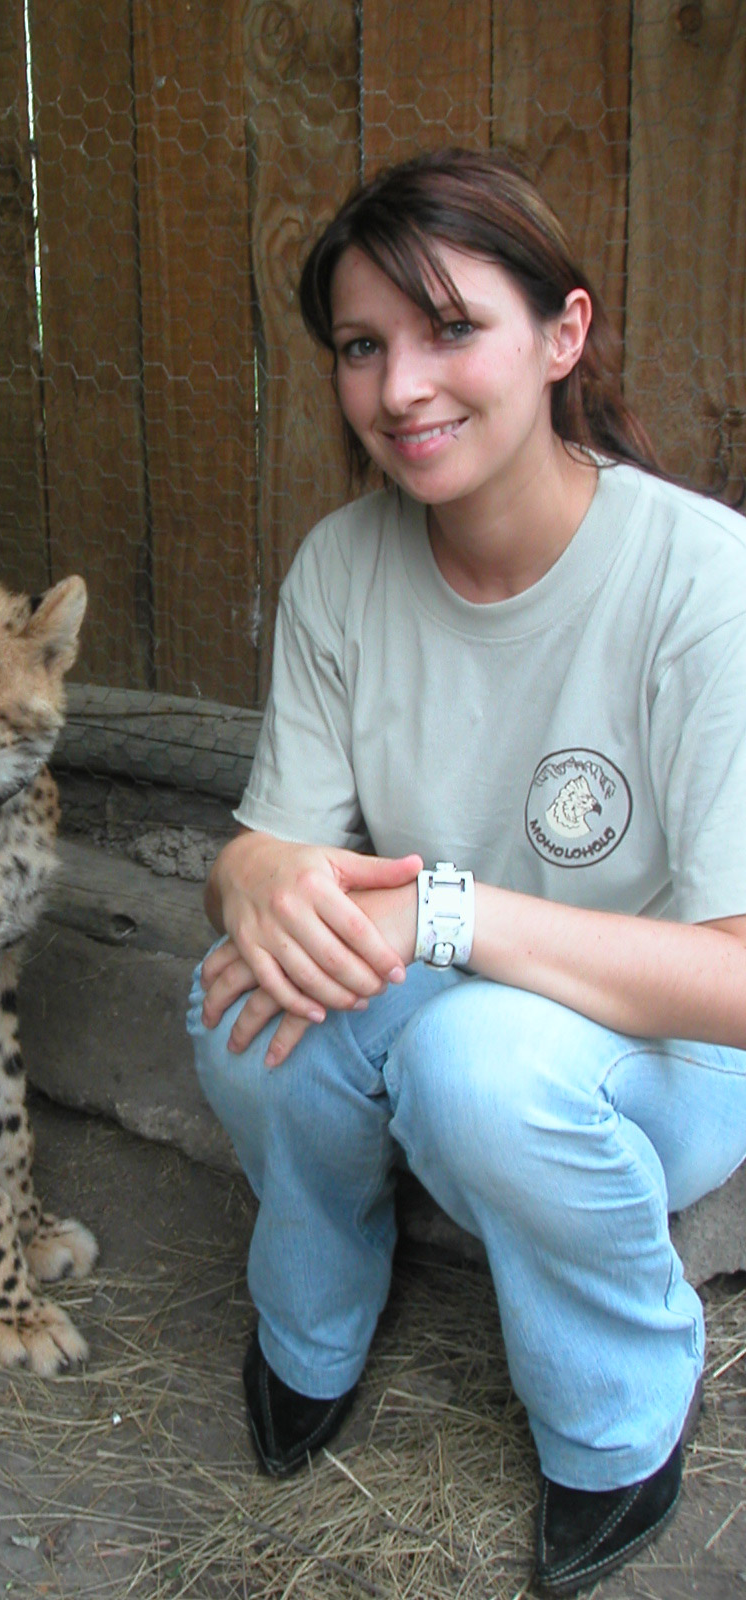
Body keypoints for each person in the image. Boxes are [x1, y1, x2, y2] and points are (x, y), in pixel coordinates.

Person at [187, 146, 746, 1597]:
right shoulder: (341, 569)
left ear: (562, 335)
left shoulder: (705, 583)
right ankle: (314, 1315)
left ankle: (616, 1410)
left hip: (664, 1041)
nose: (400, 388)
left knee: (481, 1071)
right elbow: (285, 854)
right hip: (448, 991)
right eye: (363, 348)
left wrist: (448, 912)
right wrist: (243, 874)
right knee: (235, 1002)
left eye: (450, 329)